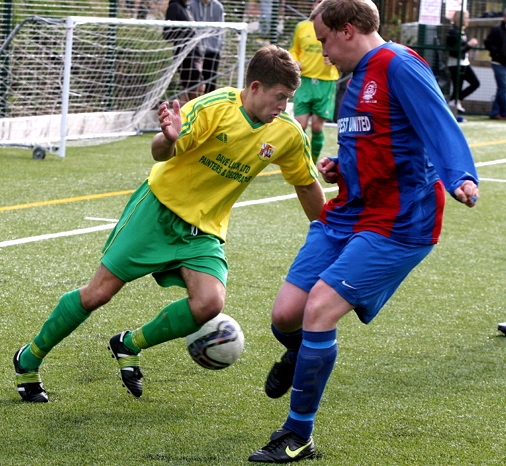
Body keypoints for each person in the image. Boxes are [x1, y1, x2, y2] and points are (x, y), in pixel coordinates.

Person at [12, 45, 326, 403]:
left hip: (203, 230)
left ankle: (129, 343)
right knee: (98, 293)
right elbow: (161, 151)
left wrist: (329, 232)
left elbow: (305, 184)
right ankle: (30, 357)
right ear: (255, 87)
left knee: (209, 303)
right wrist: (169, 138)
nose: (283, 107)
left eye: (288, 99)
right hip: (157, 212)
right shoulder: (212, 108)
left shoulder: (286, 133)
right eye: (280, 97)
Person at [249, 0, 479, 462]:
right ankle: (301, 356)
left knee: (318, 311)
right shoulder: (351, 83)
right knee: (285, 316)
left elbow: (438, 123)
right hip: (350, 212)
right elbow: (369, 143)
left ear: (348, 30)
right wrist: (340, 168)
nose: (322, 52)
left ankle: (299, 435)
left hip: (399, 220)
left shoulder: (398, 65)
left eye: (324, 41)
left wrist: (460, 176)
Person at [289, 0, 339, 164]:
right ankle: (296, 161)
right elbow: (294, 49)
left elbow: (343, 50)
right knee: (299, 125)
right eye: (317, 2)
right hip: (304, 81)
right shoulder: (302, 27)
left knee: (317, 127)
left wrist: (334, 59)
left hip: (326, 82)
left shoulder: (335, 27)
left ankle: (312, 162)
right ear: (313, 5)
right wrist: (295, 60)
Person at [164, 0, 206, 104]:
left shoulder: (186, 8)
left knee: (194, 88)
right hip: (185, 56)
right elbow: (167, 34)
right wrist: (186, 36)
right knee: (196, 87)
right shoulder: (174, 7)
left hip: (195, 55)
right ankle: (186, 115)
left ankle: (183, 116)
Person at [446, 10, 480, 113]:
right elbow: (456, 51)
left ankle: (455, 102)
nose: (468, 20)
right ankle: (454, 105)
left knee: (474, 83)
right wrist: (469, 45)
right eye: (466, 18)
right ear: (460, 19)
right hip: (455, 64)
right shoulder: (453, 32)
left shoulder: (460, 31)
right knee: (458, 88)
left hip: (463, 63)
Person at [188, 0, 225, 94]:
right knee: (193, 83)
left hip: (213, 51)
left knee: (210, 82)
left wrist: (218, 47)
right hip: (195, 51)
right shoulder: (191, 5)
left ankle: (210, 107)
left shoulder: (218, 7)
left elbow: (221, 30)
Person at [484, 8, 506, 120]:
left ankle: (495, 112)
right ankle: (503, 112)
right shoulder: (497, 29)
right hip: (498, 62)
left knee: (501, 88)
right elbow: (487, 43)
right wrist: (497, 53)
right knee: (503, 87)